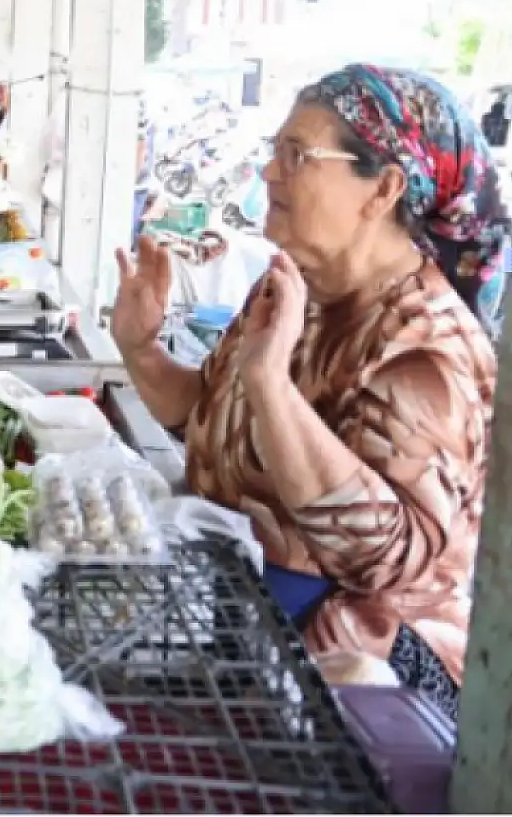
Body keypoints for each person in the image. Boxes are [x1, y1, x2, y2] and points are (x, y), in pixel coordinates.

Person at [110, 64, 506, 720]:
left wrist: (270, 384)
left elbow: (380, 559)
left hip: (363, 676)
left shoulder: (428, 353)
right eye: (274, 151)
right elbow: (204, 421)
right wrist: (140, 347)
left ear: (382, 188)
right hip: (240, 616)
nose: (268, 173)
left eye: (296, 155)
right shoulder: (297, 292)